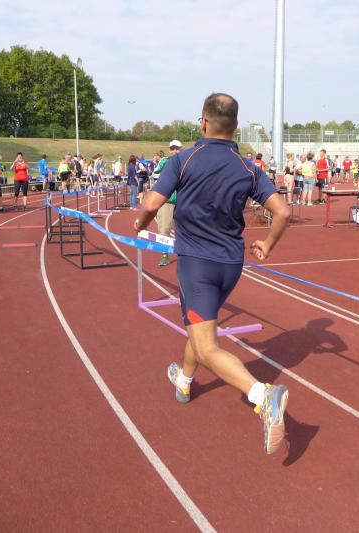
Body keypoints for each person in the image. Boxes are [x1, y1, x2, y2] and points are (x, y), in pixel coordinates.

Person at [135, 93, 290, 455]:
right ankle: (184, 379)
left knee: (206, 345)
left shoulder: (183, 159)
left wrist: (140, 224)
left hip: (196, 263)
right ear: (234, 126)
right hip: (231, 265)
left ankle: (262, 395)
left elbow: (152, 202)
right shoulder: (249, 167)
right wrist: (267, 245)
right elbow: (282, 212)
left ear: (203, 123)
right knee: (200, 327)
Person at [152, 140, 183, 266]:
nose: (175, 151)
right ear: (169, 150)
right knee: (164, 228)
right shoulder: (164, 161)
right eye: (172, 149)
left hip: (184, 199)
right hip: (167, 200)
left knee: (189, 227)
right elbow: (154, 175)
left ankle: (189, 255)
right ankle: (164, 254)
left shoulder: (187, 161)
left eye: (177, 148)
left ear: (181, 149)